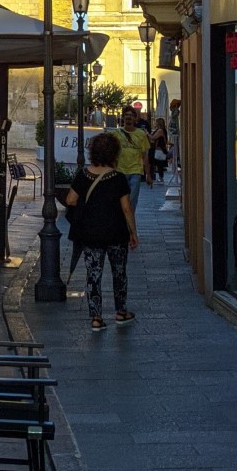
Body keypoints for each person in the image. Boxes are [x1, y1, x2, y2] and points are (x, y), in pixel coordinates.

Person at [64, 131, 139, 331]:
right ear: (114, 153)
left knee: (93, 275)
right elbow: (126, 208)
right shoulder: (119, 178)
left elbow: (70, 200)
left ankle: (96, 318)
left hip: (91, 233)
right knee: (119, 273)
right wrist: (133, 232)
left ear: (93, 152)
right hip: (116, 233)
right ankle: (121, 312)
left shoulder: (83, 175)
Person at [118, 105, 152, 208]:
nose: (129, 117)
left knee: (132, 200)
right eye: (126, 115)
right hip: (120, 171)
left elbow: (145, 155)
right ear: (123, 117)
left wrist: (148, 174)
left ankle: (129, 221)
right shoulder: (117, 134)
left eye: (131, 115)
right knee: (120, 200)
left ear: (135, 118)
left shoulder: (141, 134)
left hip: (135, 171)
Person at [149, 114, 170, 185]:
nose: (155, 123)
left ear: (159, 123)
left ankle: (160, 178)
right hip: (159, 149)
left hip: (159, 150)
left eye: (156, 122)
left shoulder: (160, 130)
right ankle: (159, 177)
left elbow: (153, 137)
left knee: (158, 164)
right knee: (158, 164)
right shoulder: (162, 130)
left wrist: (146, 133)